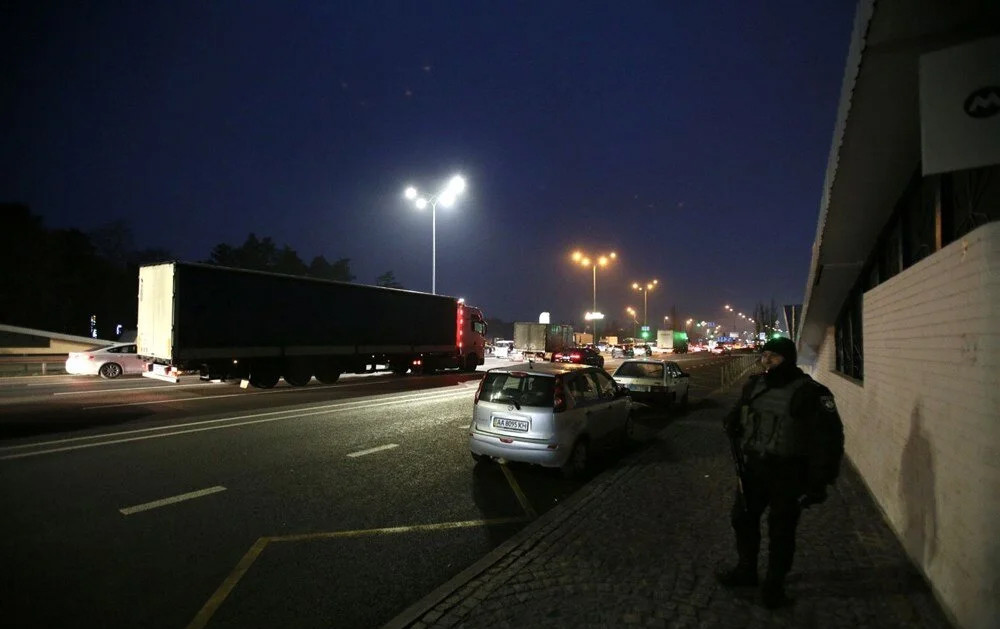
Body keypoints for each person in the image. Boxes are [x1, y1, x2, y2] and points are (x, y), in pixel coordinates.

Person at [717, 336, 844, 608]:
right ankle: (747, 571)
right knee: (742, 519)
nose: (767, 361)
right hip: (754, 469)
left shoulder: (811, 392)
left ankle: (774, 586)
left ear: (788, 359)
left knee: (781, 531)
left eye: (774, 357)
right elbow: (741, 412)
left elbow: (829, 440)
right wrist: (733, 421)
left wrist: (819, 482)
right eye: (765, 356)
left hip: (789, 474)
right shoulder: (755, 386)